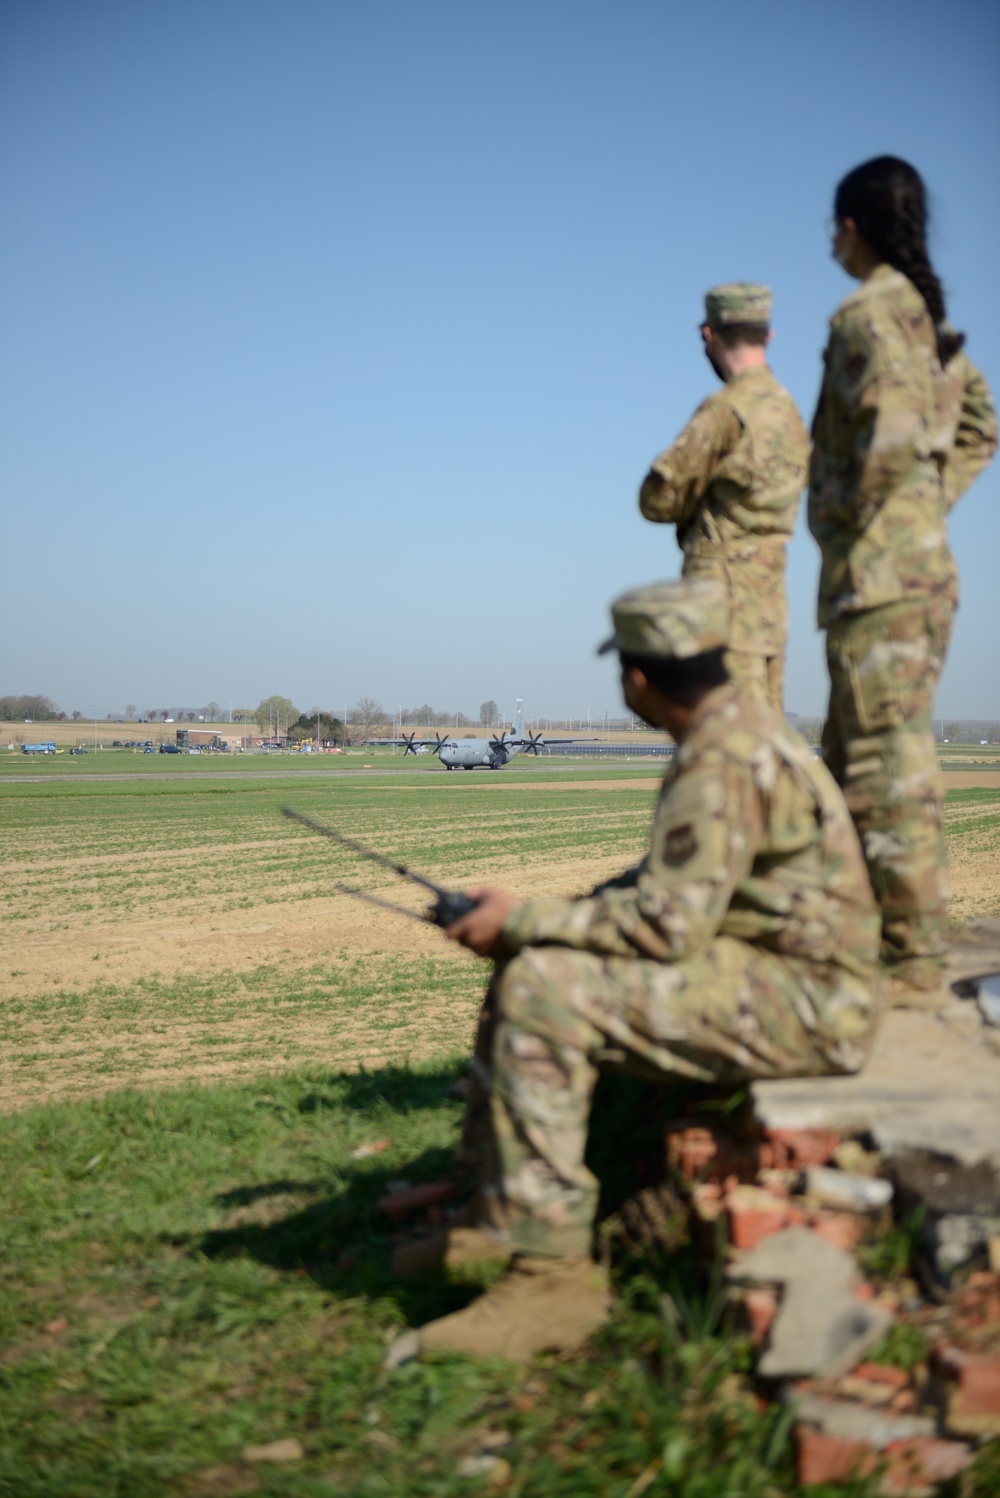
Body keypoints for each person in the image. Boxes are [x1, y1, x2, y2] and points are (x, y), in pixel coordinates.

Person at [397, 579, 882, 1363]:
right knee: (540, 960)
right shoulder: (734, 732)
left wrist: (521, 920)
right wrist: (535, 914)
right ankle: (497, 1217)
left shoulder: (720, 757)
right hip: (782, 972)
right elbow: (668, 887)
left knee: (541, 989)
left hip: (810, 1001)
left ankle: (552, 1280)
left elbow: (666, 924)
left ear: (637, 679)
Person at [809, 156, 997, 1007]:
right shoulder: (932, 324)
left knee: (887, 766)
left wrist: (852, 514)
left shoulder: (869, 314)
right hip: (908, 571)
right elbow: (980, 425)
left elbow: (886, 432)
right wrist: (928, 504)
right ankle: (856, 949)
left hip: (881, 579)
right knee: (850, 761)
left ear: (851, 226)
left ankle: (916, 965)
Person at [638, 284, 810, 713]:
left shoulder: (725, 411)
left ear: (708, 335)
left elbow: (657, 498)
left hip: (721, 609)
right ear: (767, 335)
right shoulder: (789, 412)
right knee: (760, 746)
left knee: (723, 747)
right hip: (769, 608)